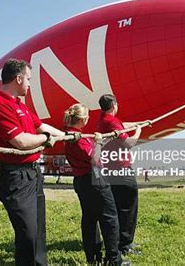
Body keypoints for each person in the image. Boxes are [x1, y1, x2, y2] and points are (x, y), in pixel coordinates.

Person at [0, 59, 65, 266]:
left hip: (32, 174)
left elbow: (41, 127)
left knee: (37, 231)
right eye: (28, 79)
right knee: (27, 232)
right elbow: (21, 141)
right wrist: (48, 141)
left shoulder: (20, 105)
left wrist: (69, 136)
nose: (30, 84)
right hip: (14, 176)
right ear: (18, 79)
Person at [63, 103, 127, 266]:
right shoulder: (78, 139)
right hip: (94, 179)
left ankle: (93, 258)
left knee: (90, 219)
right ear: (83, 119)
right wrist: (98, 143)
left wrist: (102, 140)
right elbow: (94, 158)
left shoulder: (70, 136)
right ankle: (113, 260)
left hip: (80, 181)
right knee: (109, 217)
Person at [97, 94, 146, 256]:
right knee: (128, 206)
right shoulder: (111, 122)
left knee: (117, 206)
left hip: (110, 170)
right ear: (114, 105)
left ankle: (118, 241)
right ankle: (125, 244)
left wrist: (136, 124)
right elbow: (129, 143)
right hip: (121, 170)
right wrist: (139, 131)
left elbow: (121, 125)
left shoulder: (104, 120)